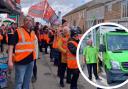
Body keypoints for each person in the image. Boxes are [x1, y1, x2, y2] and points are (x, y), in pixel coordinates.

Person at [8, 16, 37, 89]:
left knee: (27, 81)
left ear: (32, 22)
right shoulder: (18, 31)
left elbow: (32, 45)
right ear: (23, 22)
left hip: (31, 61)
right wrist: (10, 61)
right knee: (19, 82)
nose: (28, 21)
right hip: (20, 61)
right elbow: (11, 46)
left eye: (30, 20)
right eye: (26, 20)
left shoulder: (33, 32)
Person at [58, 19, 70, 87]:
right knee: (62, 71)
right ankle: (61, 81)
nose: (66, 32)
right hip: (64, 58)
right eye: (64, 31)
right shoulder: (61, 38)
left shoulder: (71, 38)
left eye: (67, 31)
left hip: (70, 58)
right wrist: (65, 51)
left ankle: (68, 80)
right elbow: (59, 46)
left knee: (69, 70)